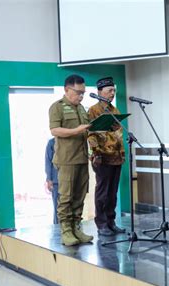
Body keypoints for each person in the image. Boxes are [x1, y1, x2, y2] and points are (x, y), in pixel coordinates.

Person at [49, 74, 93, 246]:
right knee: (66, 197)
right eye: (78, 92)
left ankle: (76, 228)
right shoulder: (57, 107)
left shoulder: (82, 108)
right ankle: (66, 231)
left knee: (80, 196)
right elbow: (54, 130)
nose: (81, 96)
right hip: (66, 160)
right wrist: (76, 130)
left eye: (83, 92)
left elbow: (86, 130)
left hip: (82, 158)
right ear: (67, 90)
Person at [87, 77, 126, 236]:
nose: (112, 93)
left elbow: (118, 134)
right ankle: (102, 224)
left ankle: (111, 222)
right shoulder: (93, 110)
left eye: (113, 91)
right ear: (99, 92)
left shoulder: (114, 110)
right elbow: (90, 134)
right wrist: (95, 153)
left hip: (116, 157)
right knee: (102, 192)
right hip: (101, 157)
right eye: (109, 90)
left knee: (112, 193)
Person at [45, 137, 59, 224]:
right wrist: (49, 179)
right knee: (57, 208)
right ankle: (57, 230)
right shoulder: (52, 142)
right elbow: (48, 161)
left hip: (69, 180)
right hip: (56, 180)